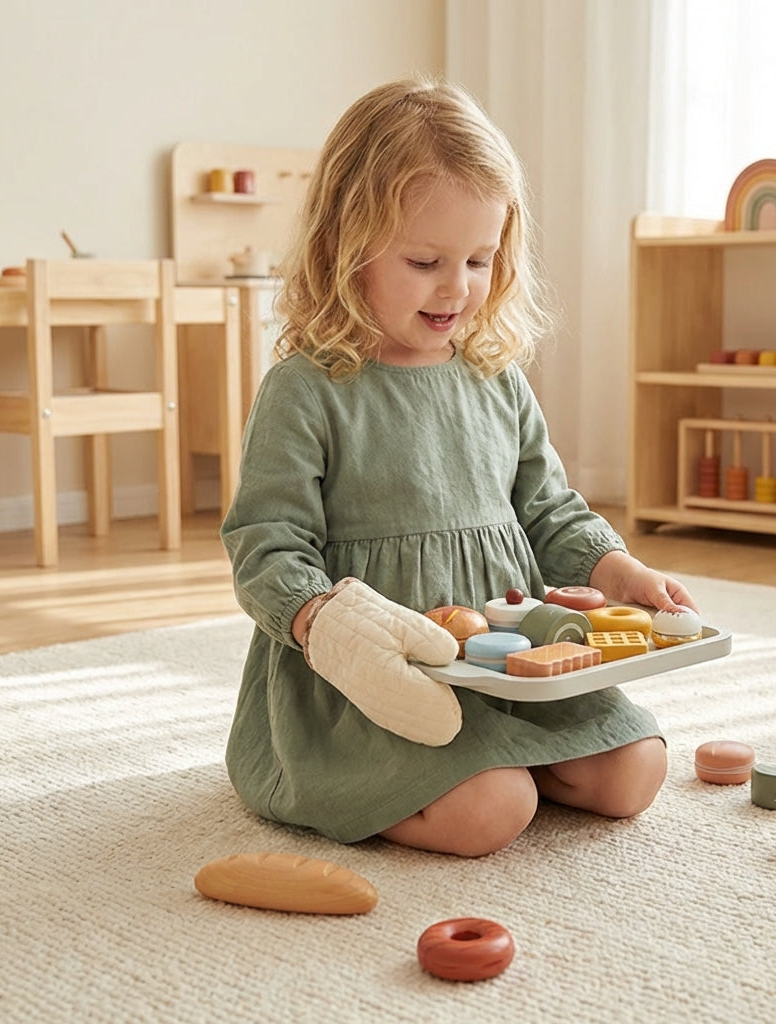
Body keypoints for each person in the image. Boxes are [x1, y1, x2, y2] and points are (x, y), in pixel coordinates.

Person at [221, 76, 700, 858]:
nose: (457, 287)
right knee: (491, 811)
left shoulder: (493, 375)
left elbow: (549, 509)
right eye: (424, 260)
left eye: (480, 259)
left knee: (635, 773)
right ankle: (402, 780)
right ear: (347, 247)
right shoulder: (307, 388)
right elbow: (265, 545)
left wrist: (619, 570)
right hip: (374, 685)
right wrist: (320, 621)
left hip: (509, 657)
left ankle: (508, 751)